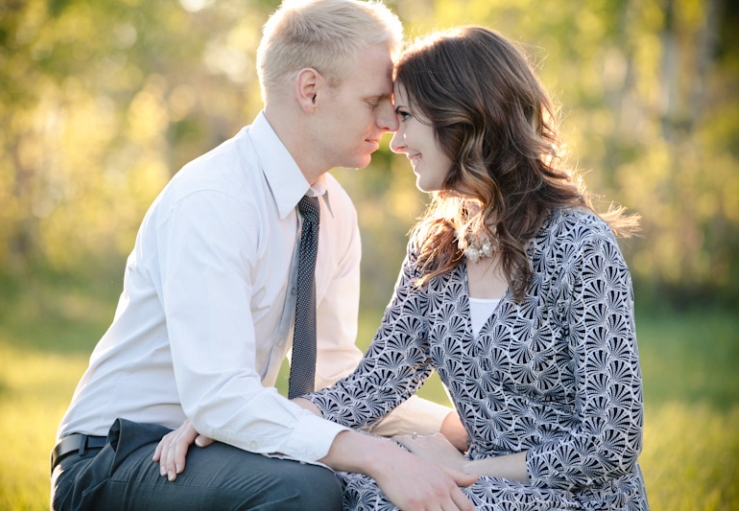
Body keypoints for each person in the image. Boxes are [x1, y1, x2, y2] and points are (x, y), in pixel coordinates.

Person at [162, 25, 649, 510]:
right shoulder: (438, 247)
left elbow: (611, 439)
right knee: (330, 490)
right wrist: (243, 422)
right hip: (474, 482)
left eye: (407, 117)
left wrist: (462, 472)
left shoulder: (579, 245)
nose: (397, 141)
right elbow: (373, 384)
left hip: (576, 496)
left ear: (462, 119)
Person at [50, 2, 476, 510]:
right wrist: (379, 456)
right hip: (117, 456)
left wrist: (456, 429)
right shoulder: (214, 200)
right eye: (374, 100)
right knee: (309, 487)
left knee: (385, 471)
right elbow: (220, 398)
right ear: (310, 90)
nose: (391, 122)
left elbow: (334, 380)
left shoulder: (332, 210)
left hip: (210, 448)